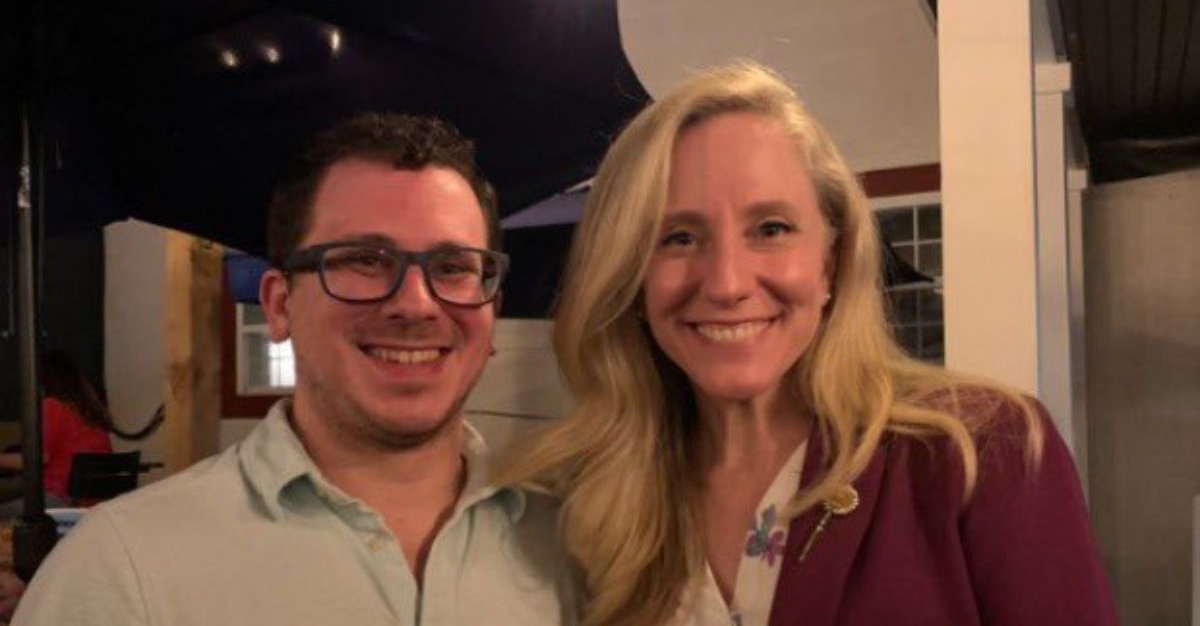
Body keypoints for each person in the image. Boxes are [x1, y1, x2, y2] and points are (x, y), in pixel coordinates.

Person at [494, 62, 1118, 625]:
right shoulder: (579, 501)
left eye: (771, 229)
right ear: (631, 277)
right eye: (678, 238)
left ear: (831, 262)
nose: (727, 283)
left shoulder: (982, 452)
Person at [13, 113, 574, 625]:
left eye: (452, 267)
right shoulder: (120, 572)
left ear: (491, 310)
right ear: (280, 306)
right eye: (366, 259)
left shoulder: (575, 550)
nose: (417, 304)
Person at [0, 350, 115, 511]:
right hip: (93, 502)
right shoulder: (90, 409)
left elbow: (38, 459)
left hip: (62, 500)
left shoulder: (52, 406)